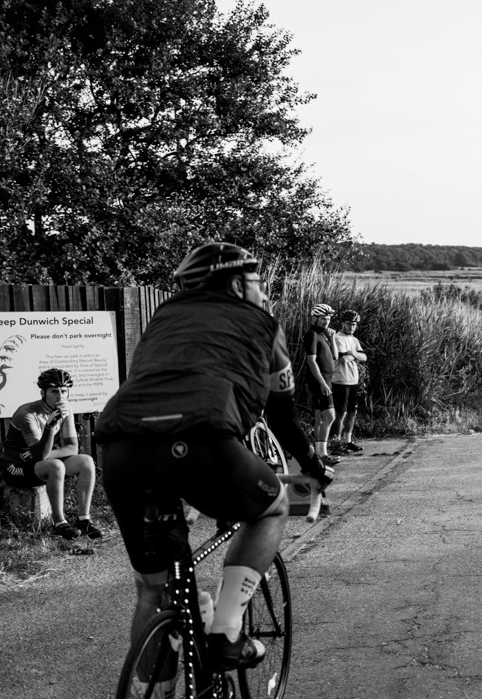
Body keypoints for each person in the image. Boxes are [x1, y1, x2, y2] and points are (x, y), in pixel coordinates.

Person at [95, 243, 332, 670]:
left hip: (121, 449)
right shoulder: (262, 324)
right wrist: (313, 467)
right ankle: (226, 632)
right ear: (238, 283)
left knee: (152, 590)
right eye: (259, 284)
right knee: (272, 507)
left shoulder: (162, 321)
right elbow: (282, 415)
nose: (263, 294)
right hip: (201, 441)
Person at [0, 368, 102, 540]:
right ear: (43, 392)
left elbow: (72, 449)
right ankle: (59, 522)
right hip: (15, 466)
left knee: (86, 461)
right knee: (56, 466)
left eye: (64, 391)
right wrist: (49, 427)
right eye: (55, 391)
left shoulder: (65, 408)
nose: (60, 396)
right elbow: (41, 455)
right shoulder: (27, 414)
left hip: (36, 460)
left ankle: (83, 520)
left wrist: (36, 455)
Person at [328, 310, 367, 455]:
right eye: (349, 324)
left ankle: (347, 441)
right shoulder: (338, 338)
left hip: (353, 380)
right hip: (340, 379)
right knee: (340, 413)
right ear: (343, 323)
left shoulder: (354, 340)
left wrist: (352, 354)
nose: (351, 327)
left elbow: (364, 357)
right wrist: (354, 355)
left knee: (352, 412)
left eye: (354, 325)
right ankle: (336, 443)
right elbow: (343, 359)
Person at [304, 303, 339, 463]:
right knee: (330, 416)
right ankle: (323, 455)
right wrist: (322, 383)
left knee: (320, 419)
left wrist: (331, 337)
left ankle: (318, 455)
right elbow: (311, 361)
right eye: (323, 318)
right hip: (320, 381)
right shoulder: (311, 334)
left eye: (328, 319)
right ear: (314, 318)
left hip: (326, 380)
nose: (326, 322)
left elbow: (335, 356)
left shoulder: (323, 334)